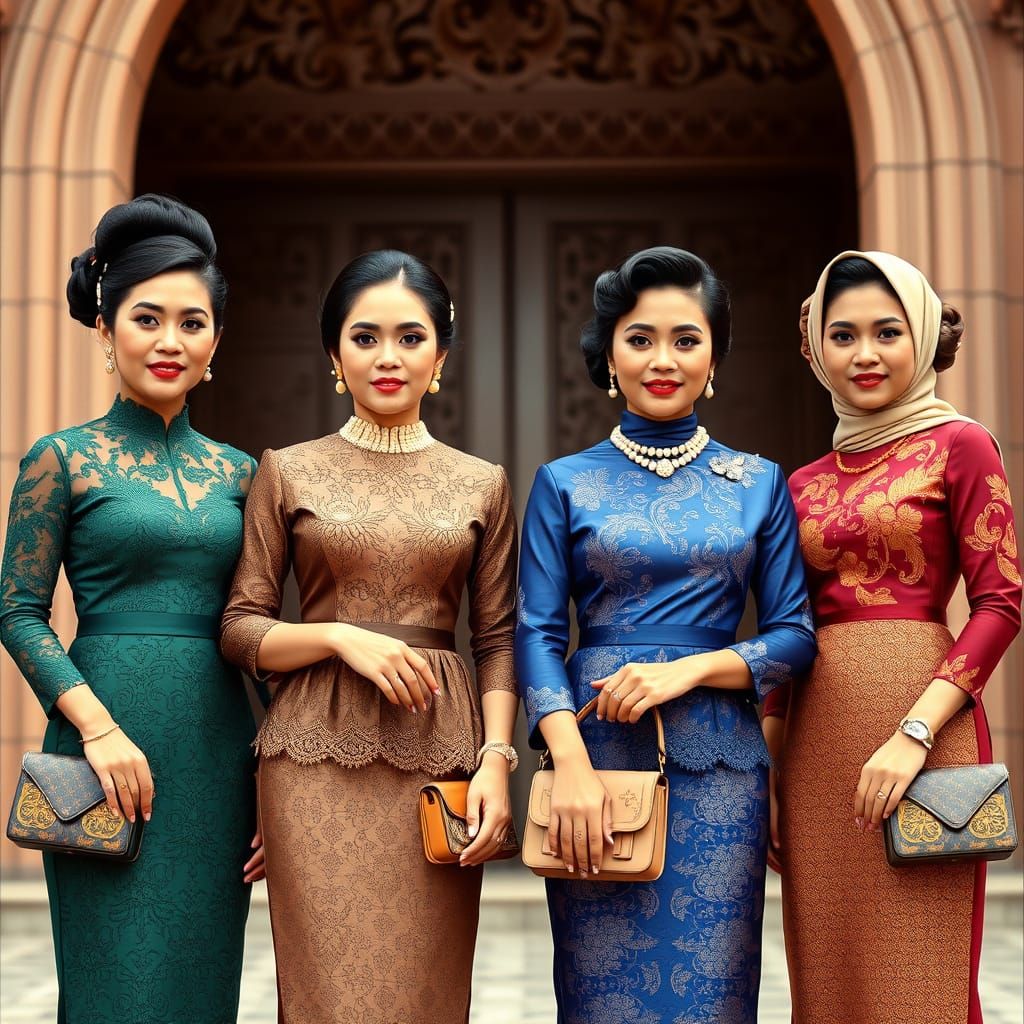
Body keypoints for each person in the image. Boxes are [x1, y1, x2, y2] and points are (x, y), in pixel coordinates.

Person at [515, 245, 816, 1022]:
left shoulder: (759, 481)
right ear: (608, 354)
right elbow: (538, 633)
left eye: (687, 339)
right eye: (640, 338)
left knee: (710, 997)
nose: (663, 359)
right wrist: (569, 763)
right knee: (599, 998)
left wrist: (689, 671)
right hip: (596, 770)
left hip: (721, 770)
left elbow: (793, 637)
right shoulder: (563, 482)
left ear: (714, 357)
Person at [220, 249, 519, 1023]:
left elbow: (496, 638)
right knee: (325, 996)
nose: (388, 358)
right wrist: (339, 638)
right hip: (311, 762)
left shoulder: (482, 481)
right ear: (334, 353)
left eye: (411, 338)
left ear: (441, 355)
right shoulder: (286, 470)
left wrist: (496, 760)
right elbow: (241, 627)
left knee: (424, 994)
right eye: (365, 337)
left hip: (439, 759)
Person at [0, 194, 262, 1023]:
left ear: (215, 342)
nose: (169, 340)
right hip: (98, 752)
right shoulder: (61, 459)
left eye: (192, 322)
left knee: (200, 990)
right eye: (148, 318)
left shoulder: (241, 473)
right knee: (117, 990)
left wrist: (278, 777)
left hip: (217, 758)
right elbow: (17, 612)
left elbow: (253, 627)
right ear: (108, 330)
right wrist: (98, 728)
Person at [763, 250, 1022, 1024]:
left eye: (887, 331)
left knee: (923, 982)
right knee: (831, 979)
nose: (865, 353)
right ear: (814, 348)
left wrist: (913, 732)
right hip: (815, 750)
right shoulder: (801, 483)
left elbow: (1001, 603)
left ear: (920, 337)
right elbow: (788, 631)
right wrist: (769, 775)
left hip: (925, 732)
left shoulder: (962, 445)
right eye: (843, 335)